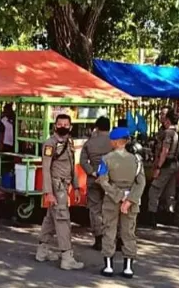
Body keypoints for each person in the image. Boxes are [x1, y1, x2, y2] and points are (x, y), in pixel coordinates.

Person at [96, 127, 146, 279]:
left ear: (116, 142)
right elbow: (141, 182)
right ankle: (128, 269)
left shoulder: (106, 159)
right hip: (131, 201)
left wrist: (118, 196)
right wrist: (129, 199)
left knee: (109, 231)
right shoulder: (137, 160)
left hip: (111, 200)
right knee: (128, 232)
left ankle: (109, 267)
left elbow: (103, 181)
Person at [35, 114, 83, 270]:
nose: (63, 126)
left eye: (66, 124)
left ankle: (42, 250)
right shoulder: (50, 144)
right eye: (60, 124)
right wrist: (48, 192)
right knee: (63, 219)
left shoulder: (69, 142)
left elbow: (72, 165)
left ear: (71, 126)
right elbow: (46, 169)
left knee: (51, 217)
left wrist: (76, 187)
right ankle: (67, 256)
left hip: (66, 185)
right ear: (55, 126)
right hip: (57, 187)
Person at [80, 116, 111, 250]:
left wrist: (92, 172)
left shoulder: (89, 143)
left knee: (94, 208)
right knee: (111, 208)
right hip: (110, 179)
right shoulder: (114, 142)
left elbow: (82, 161)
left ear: (97, 128)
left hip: (94, 179)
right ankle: (112, 238)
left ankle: (98, 238)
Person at [147, 109, 179, 228]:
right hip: (174, 165)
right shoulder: (176, 132)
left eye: (163, 116)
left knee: (154, 190)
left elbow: (164, 151)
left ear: (167, 119)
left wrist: (158, 167)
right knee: (170, 192)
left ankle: (152, 217)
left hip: (166, 165)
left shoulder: (168, 133)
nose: (161, 118)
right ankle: (169, 216)